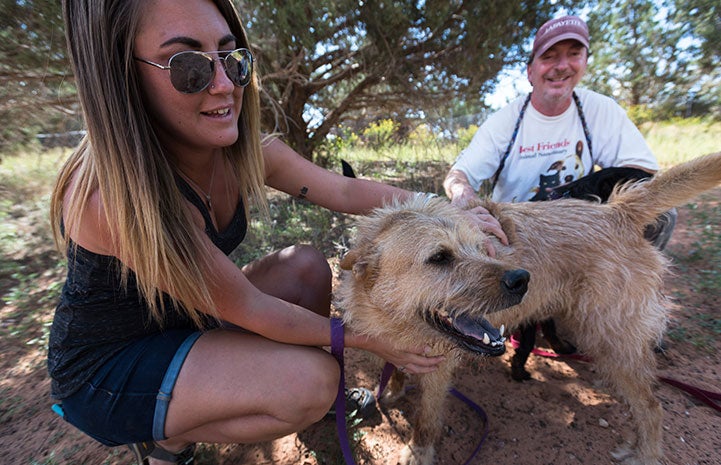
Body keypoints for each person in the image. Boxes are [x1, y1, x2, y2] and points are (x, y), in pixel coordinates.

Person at [48, 1, 507, 464]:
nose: (225, 85)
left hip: (183, 315)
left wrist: (448, 211)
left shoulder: (244, 152)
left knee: (306, 267)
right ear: (125, 77)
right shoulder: (111, 197)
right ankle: (167, 439)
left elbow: (347, 192)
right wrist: (371, 341)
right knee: (312, 381)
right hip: (109, 363)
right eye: (189, 67)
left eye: (232, 58)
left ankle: (303, 407)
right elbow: (251, 307)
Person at [444, 14, 674, 249]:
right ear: (530, 71)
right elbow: (458, 175)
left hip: (579, 221)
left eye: (574, 54)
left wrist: (569, 198)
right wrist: (464, 198)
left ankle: (626, 282)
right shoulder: (504, 122)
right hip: (516, 231)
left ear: (584, 62)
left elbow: (643, 173)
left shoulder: (600, 109)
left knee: (662, 213)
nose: (562, 66)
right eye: (549, 57)